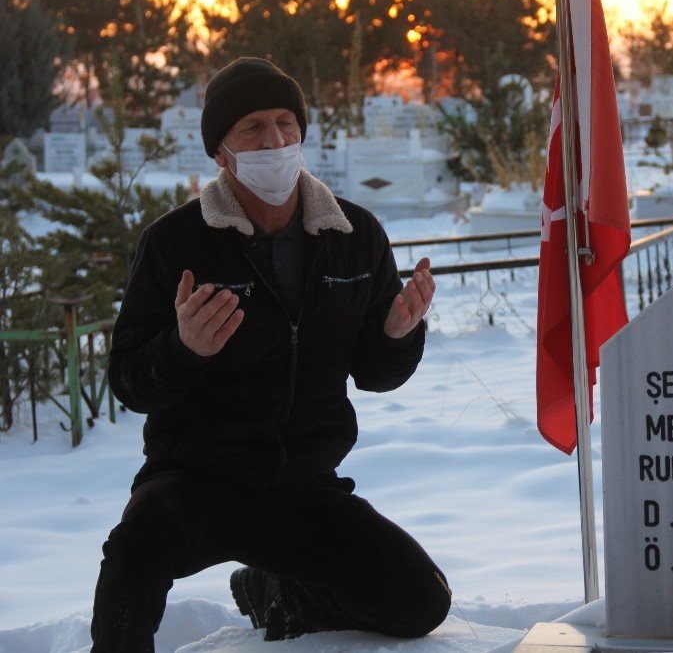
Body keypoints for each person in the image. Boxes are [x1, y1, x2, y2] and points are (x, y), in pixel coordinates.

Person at [91, 57, 451, 652]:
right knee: (129, 567)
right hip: (195, 483)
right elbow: (130, 382)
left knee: (419, 599)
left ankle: (276, 593)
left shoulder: (354, 237)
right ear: (220, 152)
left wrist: (396, 334)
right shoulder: (175, 243)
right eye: (252, 128)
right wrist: (181, 351)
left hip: (304, 487)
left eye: (286, 122)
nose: (275, 140)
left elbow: (376, 375)